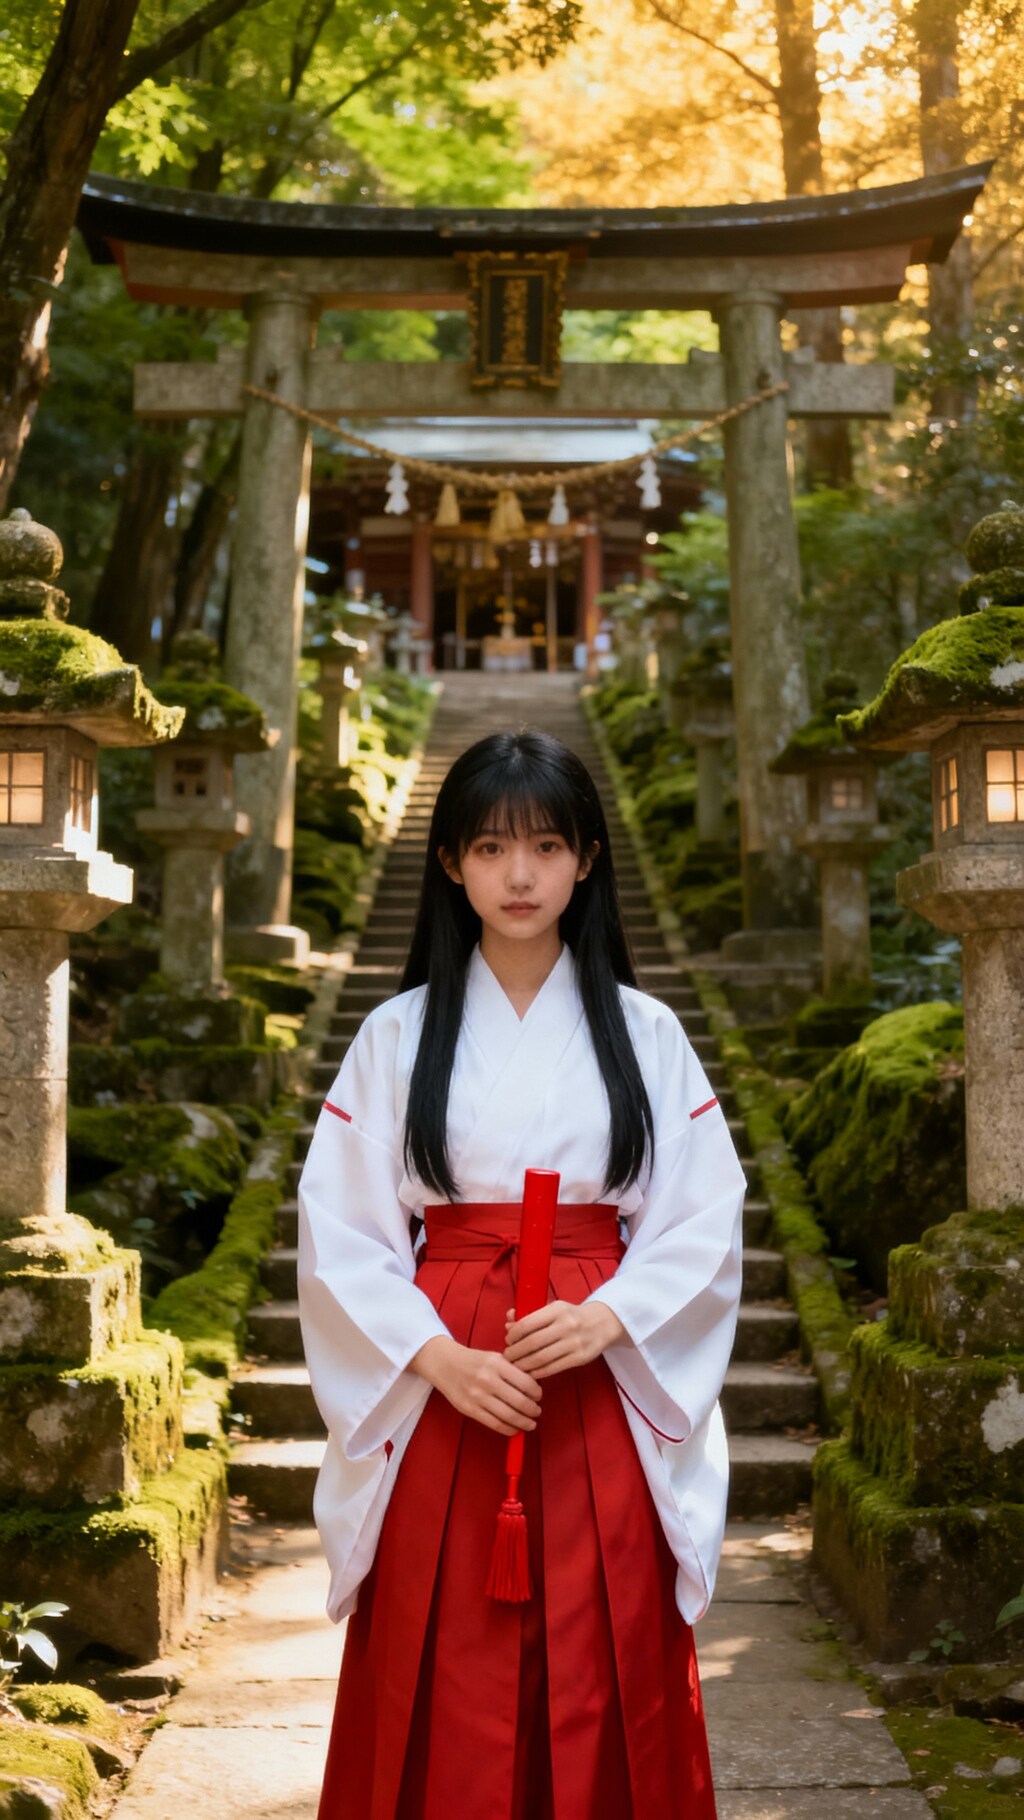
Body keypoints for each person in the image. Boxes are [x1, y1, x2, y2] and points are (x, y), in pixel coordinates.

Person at [298, 730, 746, 1819]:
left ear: (587, 858)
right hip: (450, 1360)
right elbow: (341, 1224)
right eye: (491, 846)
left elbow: (702, 1207)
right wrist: (433, 1353)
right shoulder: (396, 1034)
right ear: (449, 860)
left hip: (593, 1359)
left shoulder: (647, 1030)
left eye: (546, 844)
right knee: (437, 1632)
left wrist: (611, 1314)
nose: (519, 873)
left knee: (611, 1628)